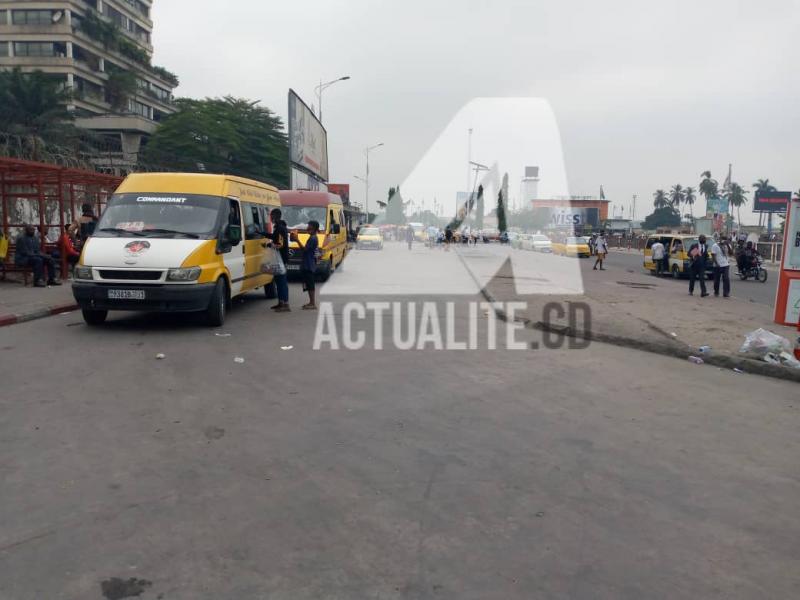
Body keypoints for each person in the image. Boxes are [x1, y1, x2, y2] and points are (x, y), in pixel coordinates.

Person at [292, 220, 320, 310]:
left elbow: (304, 249)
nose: (308, 228)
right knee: (308, 284)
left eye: (309, 226)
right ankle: (311, 302)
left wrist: (297, 240)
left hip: (309, 264)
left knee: (310, 284)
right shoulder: (312, 237)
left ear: (314, 228)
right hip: (308, 263)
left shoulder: (313, 238)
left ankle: (312, 303)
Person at [267, 208, 290, 312]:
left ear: (275, 216)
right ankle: (280, 302)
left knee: (282, 282)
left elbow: (280, 244)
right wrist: (263, 233)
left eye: (271, 216)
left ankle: (285, 304)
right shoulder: (279, 227)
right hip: (279, 258)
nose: (270, 218)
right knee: (278, 280)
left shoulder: (280, 228)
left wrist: (270, 244)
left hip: (281, 258)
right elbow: (275, 236)